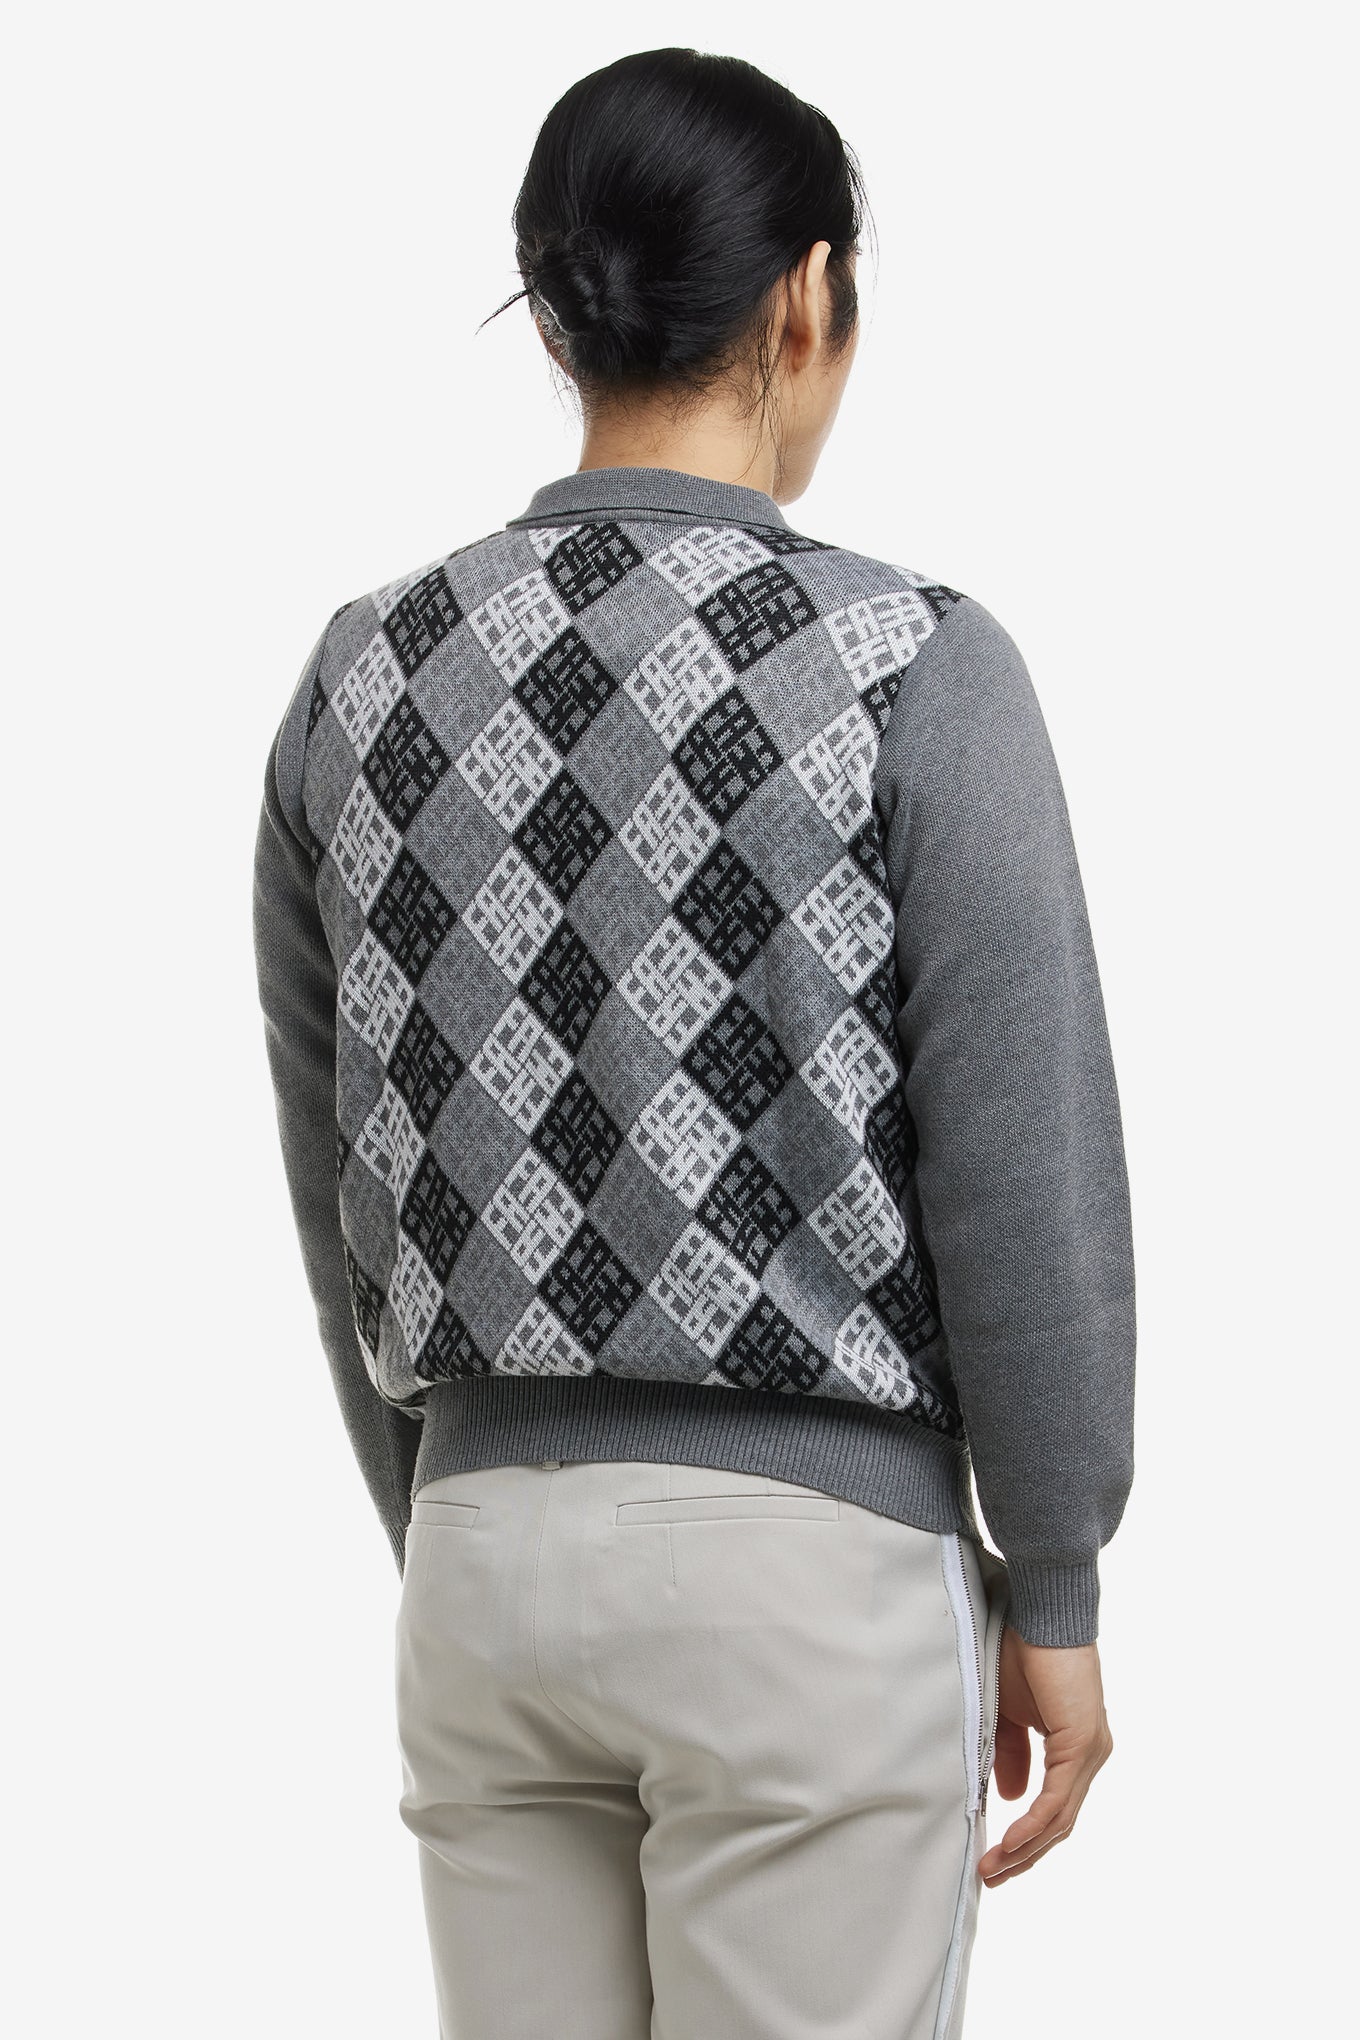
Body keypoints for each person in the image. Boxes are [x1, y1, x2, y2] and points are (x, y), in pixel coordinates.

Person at [251, 45, 1134, 2040]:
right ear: (804, 298)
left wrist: (448, 1510)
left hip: (477, 1566)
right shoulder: (913, 665)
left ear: (556, 305)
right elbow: (1020, 1168)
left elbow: (339, 1178)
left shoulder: (361, 679)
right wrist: (1059, 1579)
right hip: (807, 1593)